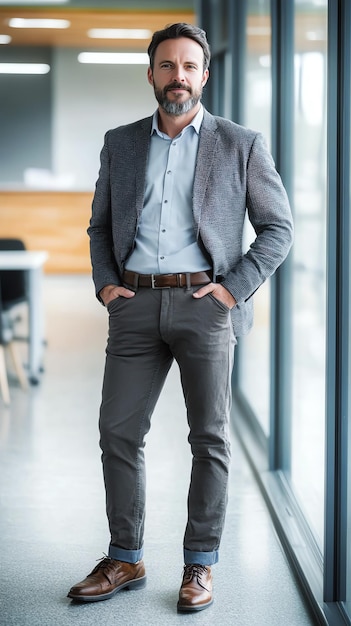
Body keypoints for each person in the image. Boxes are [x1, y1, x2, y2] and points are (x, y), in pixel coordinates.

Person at [67, 22, 293, 613]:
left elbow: (278, 229)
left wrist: (231, 291)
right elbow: (100, 226)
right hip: (134, 305)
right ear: (151, 75)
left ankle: (201, 565)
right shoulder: (120, 142)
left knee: (210, 438)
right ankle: (125, 556)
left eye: (189, 66)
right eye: (167, 66)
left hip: (205, 308)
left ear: (205, 75)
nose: (178, 77)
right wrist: (107, 287)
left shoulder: (241, 143)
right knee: (118, 431)